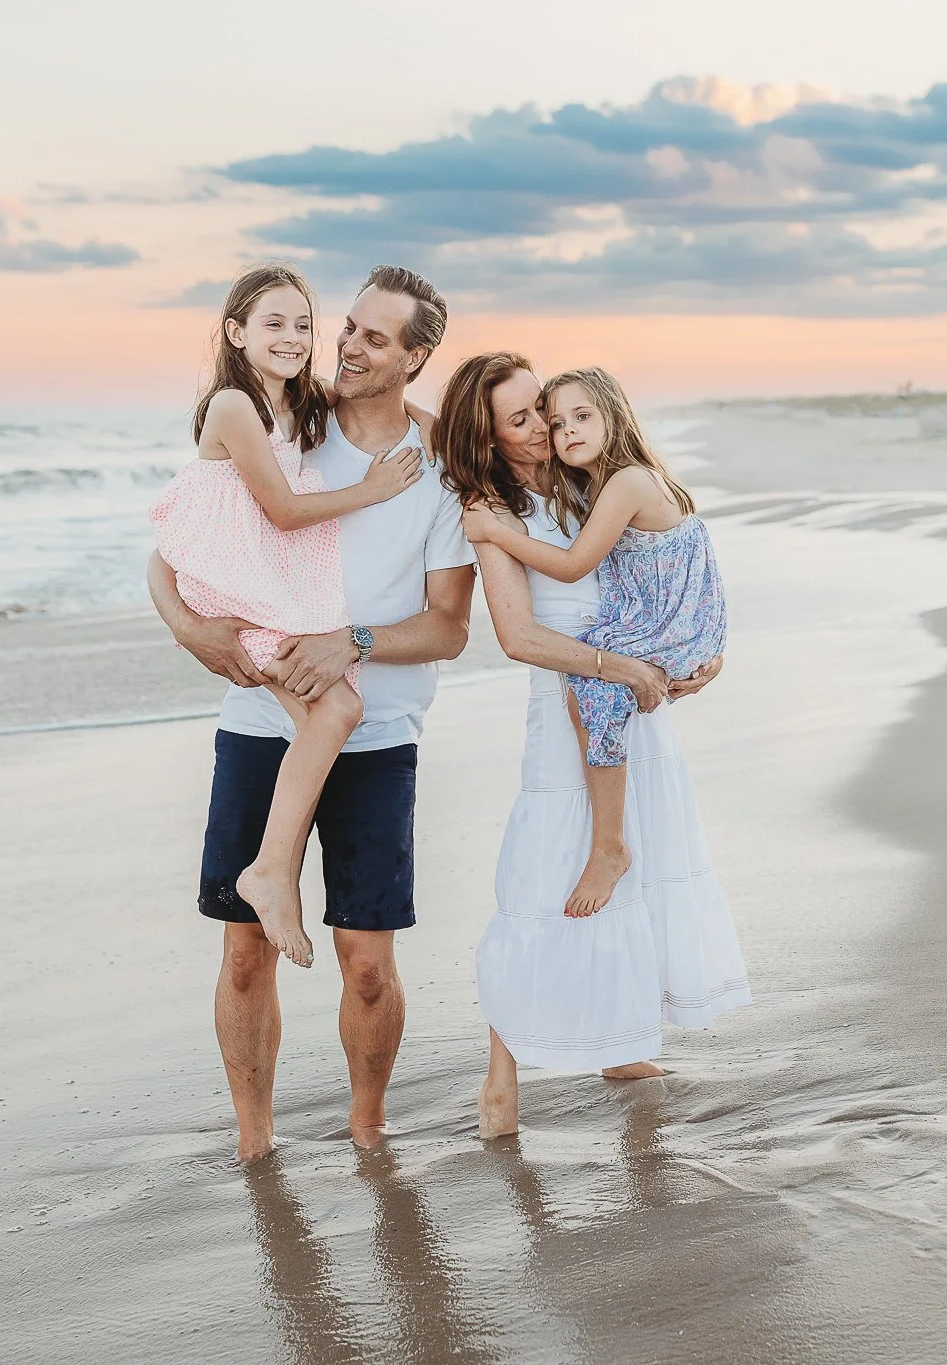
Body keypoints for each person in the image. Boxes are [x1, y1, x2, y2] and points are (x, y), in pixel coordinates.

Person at [146, 266, 474, 1162]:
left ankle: (369, 1130)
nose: (346, 346)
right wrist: (190, 628)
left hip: (377, 734)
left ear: (417, 355)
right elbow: (178, 538)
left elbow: (450, 627)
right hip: (261, 723)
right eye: (349, 328)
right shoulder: (291, 421)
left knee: (367, 964)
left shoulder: (439, 471)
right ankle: (257, 1141)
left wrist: (354, 639)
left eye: (374, 336)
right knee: (244, 951)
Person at [432, 352, 751, 1142]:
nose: (544, 426)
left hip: (633, 685)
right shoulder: (492, 511)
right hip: (573, 691)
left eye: (543, 407)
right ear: (492, 438)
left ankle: (626, 1042)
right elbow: (518, 635)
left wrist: (690, 661)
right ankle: (501, 1078)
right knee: (541, 882)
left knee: (634, 863)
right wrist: (619, 666)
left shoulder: (589, 481)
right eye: (521, 418)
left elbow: (664, 568)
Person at [149, 262, 423, 969]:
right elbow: (283, 510)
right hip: (234, 590)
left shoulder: (300, 404)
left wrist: (450, 435)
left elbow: (394, 407)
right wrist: (373, 489)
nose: (294, 337)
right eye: (273, 323)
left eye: (304, 324)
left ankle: (275, 870)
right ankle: (270, 872)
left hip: (264, 583)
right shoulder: (235, 408)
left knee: (324, 717)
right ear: (236, 333)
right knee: (336, 713)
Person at [462, 366, 727, 919]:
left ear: (615, 414)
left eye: (567, 417)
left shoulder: (615, 484)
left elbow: (574, 565)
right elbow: (519, 636)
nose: (555, 431)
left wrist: (498, 536)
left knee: (591, 695)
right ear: (489, 435)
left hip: (662, 628)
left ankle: (609, 847)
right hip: (663, 627)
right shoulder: (591, 483)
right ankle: (609, 845)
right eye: (547, 421)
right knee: (589, 696)